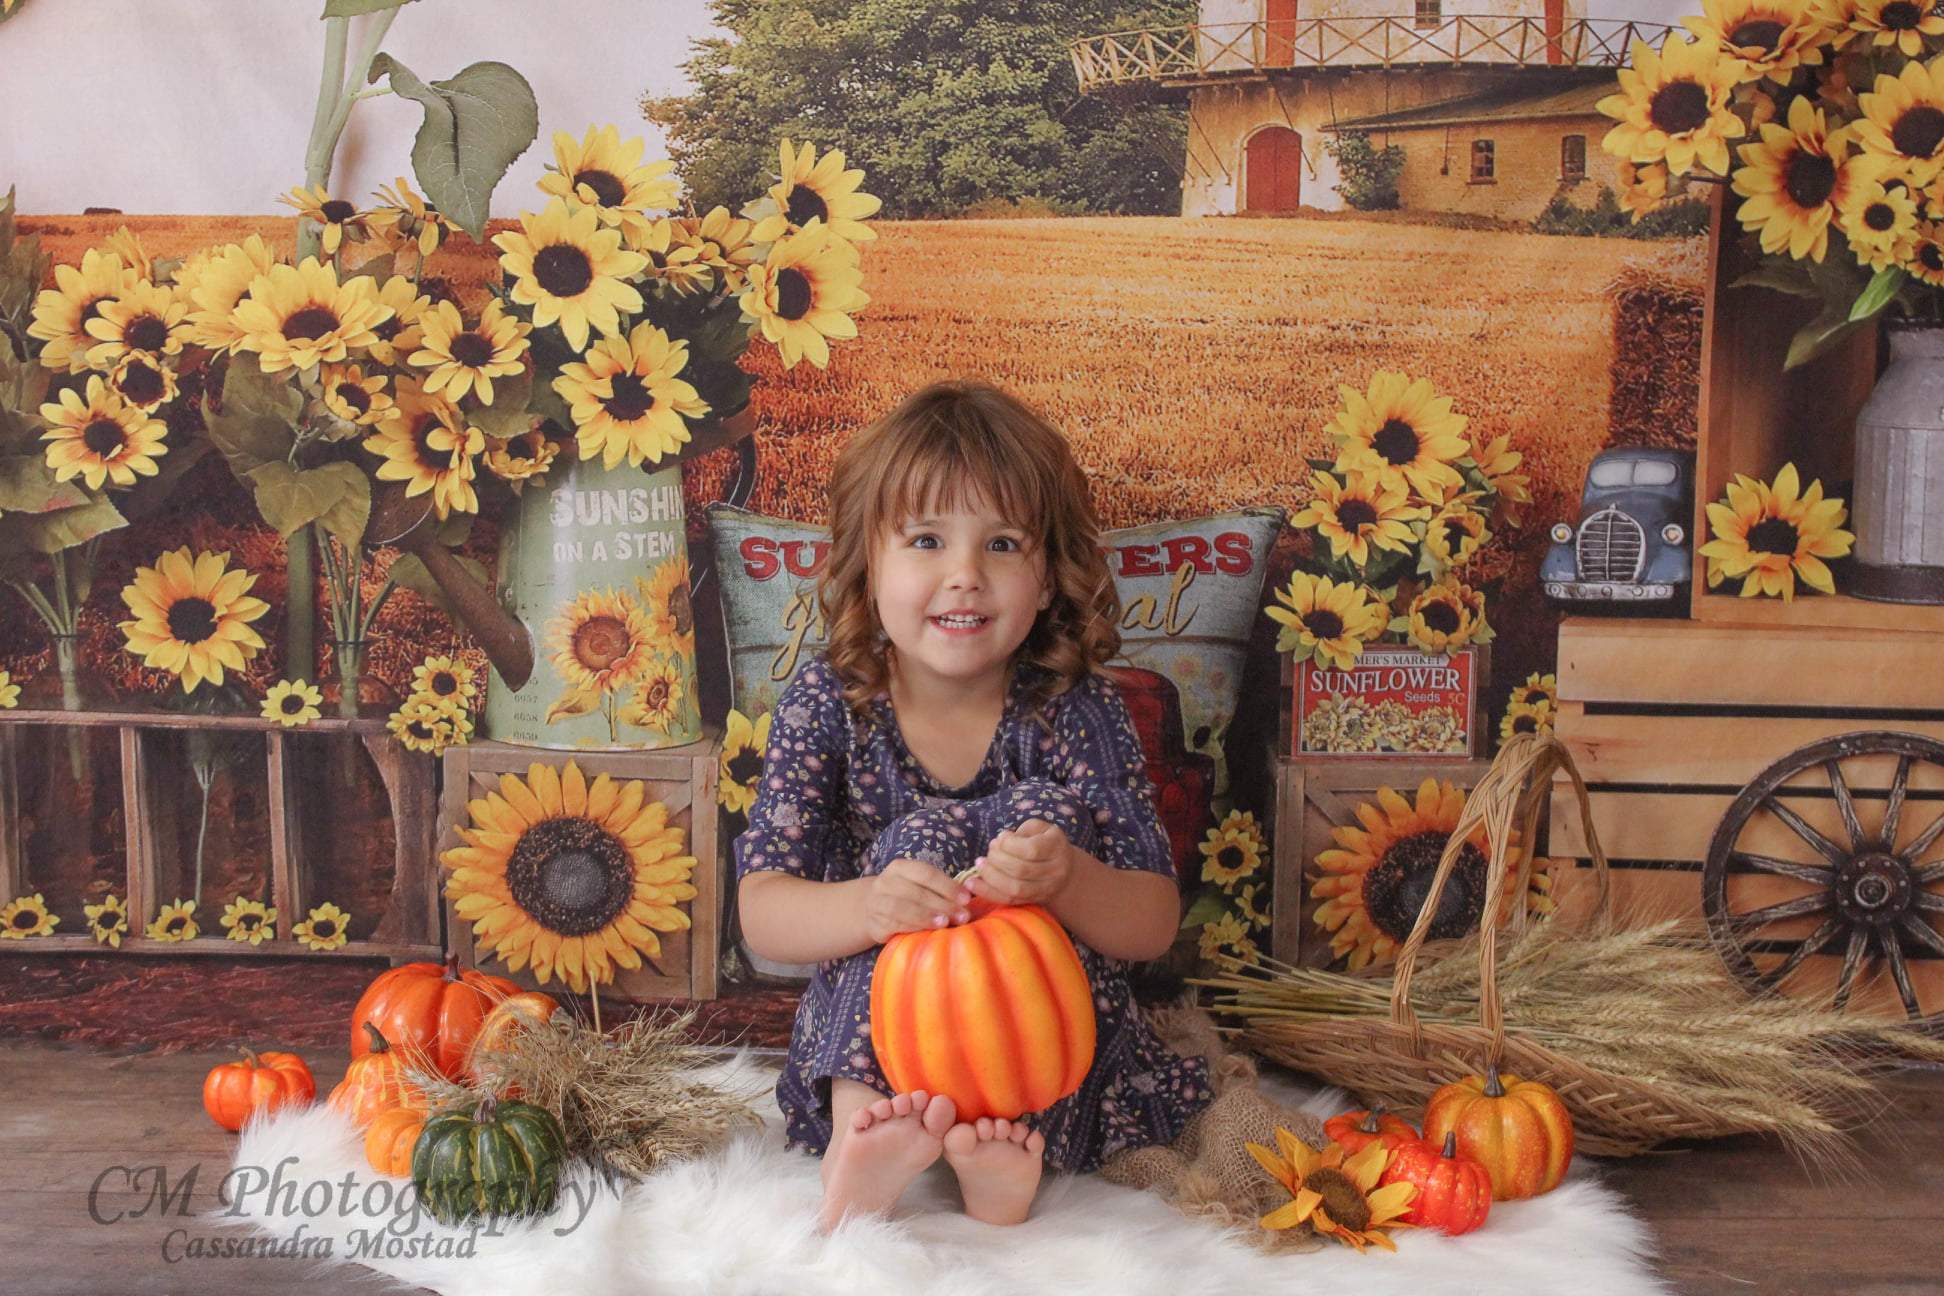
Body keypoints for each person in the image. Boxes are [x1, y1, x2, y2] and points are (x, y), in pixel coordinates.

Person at [733, 379, 1213, 1232]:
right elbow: (765, 915)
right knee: (898, 889)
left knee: (1038, 814)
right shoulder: (829, 701)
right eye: (926, 540)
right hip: (883, 1027)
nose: (964, 577)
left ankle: (1004, 1157)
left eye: (1001, 544)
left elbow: (1151, 922)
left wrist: (1066, 881)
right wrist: (870, 906)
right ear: (866, 562)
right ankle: (864, 1137)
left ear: (1050, 573)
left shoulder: (1078, 707)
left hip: (1037, 1032)